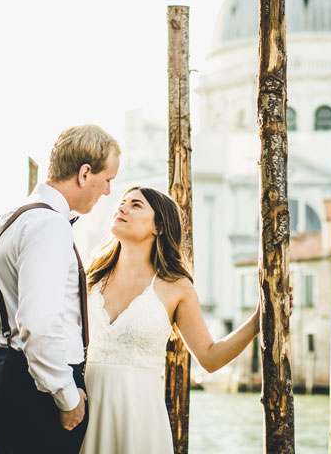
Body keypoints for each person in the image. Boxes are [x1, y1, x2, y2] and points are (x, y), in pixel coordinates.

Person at [79, 186, 267, 454]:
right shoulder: (89, 278)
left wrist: (256, 323)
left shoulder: (177, 287)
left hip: (140, 419)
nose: (121, 208)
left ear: (159, 226)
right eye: (122, 203)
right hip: (84, 411)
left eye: (135, 205)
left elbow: (210, 358)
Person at [0, 124, 120, 454]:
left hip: (6, 373)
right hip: (38, 389)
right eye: (108, 179)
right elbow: (39, 323)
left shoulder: (6, 220)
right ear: (85, 174)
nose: (108, 192)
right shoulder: (49, 225)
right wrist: (67, 395)